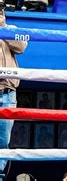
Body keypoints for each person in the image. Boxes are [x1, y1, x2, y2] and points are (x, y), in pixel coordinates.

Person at [0, 9, 28, 176]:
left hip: (7, 93)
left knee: (3, 141)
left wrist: (3, 27)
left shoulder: (11, 29)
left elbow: (21, 46)